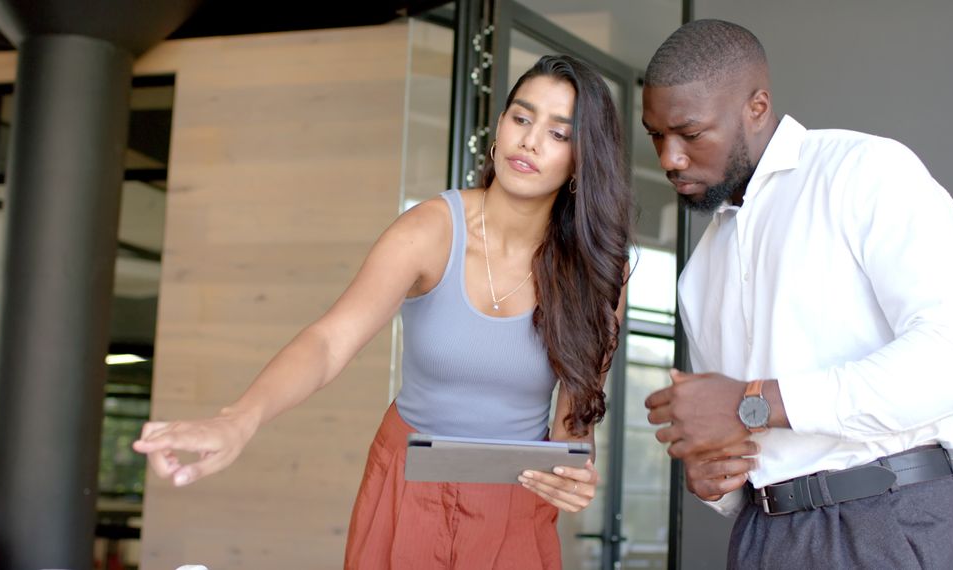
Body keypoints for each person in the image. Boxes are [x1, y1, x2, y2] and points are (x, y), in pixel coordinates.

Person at [133, 54, 633, 569]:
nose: (529, 141)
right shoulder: (429, 231)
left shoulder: (597, 273)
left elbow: (575, 426)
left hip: (515, 502)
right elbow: (330, 342)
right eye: (521, 119)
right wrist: (237, 420)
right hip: (405, 484)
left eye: (558, 133)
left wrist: (572, 472)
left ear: (582, 160)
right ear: (499, 128)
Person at [641, 18, 953, 568]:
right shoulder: (698, 273)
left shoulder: (865, 172)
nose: (669, 158)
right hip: (761, 537)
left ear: (757, 106)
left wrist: (755, 401)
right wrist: (712, 480)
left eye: (690, 134)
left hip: (886, 521)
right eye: (656, 134)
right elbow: (738, 445)